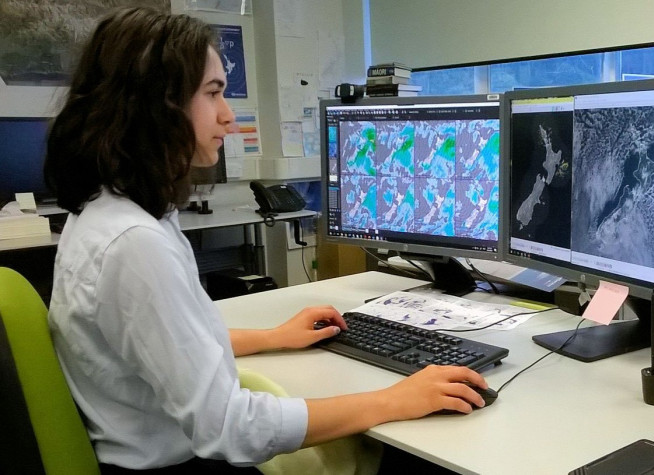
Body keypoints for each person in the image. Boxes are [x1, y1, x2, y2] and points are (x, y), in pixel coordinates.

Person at [44, 6, 490, 473]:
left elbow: (173, 341)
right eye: (213, 94)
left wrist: (274, 336)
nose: (228, 117)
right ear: (157, 104)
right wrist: (392, 399)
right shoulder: (134, 243)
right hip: (178, 463)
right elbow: (230, 428)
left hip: (147, 446)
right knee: (412, 451)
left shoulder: (107, 210)